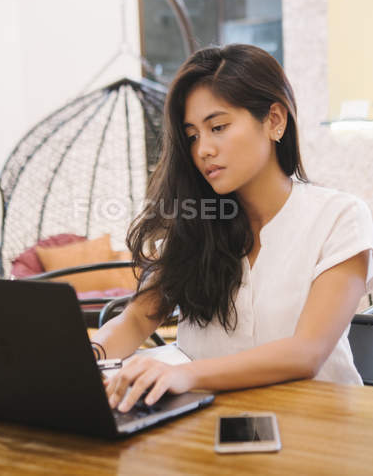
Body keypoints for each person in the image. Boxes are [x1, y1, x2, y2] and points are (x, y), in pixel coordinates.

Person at [91, 43, 373, 413]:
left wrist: (185, 375)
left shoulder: (339, 217)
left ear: (275, 120)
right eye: (192, 135)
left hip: (320, 430)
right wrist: (88, 358)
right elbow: (139, 316)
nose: (203, 149)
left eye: (218, 127)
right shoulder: (194, 222)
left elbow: (306, 353)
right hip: (208, 429)